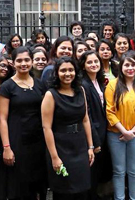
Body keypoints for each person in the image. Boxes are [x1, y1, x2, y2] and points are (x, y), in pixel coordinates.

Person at [0, 46, 50, 200]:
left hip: (38, 142)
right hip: (17, 142)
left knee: (39, 185)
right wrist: (6, 147)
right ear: (13, 63)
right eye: (19, 60)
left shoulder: (40, 84)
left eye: (27, 60)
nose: (23, 63)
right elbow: (2, 119)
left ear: (32, 61)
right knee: (20, 187)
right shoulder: (7, 87)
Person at [41, 57, 96, 199]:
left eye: (71, 70)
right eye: (63, 70)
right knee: (64, 191)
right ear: (57, 73)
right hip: (60, 147)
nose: (67, 73)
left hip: (79, 145)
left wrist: (90, 147)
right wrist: (54, 157)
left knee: (82, 190)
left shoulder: (81, 90)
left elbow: (85, 119)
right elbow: (46, 128)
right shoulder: (50, 95)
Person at [105, 52, 135, 200]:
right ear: (121, 66)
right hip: (115, 134)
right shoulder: (113, 85)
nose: (130, 68)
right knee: (119, 171)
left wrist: (132, 131)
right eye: (127, 64)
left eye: (133, 64)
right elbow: (109, 111)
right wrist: (123, 131)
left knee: (134, 171)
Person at [80, 50, 112, 198]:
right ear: (83, 65)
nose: (93, 64)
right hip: (93, 136)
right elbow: (87, 115)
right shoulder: (83, 84)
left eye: (96, 61)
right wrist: (94, 141)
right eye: (89, 62)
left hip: (103, 132)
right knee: (91, 176)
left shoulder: (98, 81)